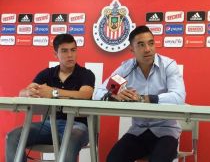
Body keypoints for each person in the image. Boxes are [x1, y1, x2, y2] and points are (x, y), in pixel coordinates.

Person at [94, 25, 186, 162]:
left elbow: (179, 97)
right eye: (141, 45)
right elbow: (98, 93)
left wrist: (145, 99)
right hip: (139, 131)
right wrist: (114, 95)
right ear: (132, 49)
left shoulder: (168, 65)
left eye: (151, 43)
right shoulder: (126, 69)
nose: (148, 49)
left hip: (166, 132)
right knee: (113, 159)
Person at [6, 33, 95, 162]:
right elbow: (23, 92)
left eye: (73, 50)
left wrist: (54, 93)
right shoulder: (46, 74)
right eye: (64, 51)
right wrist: (28, 93)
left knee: (70, 140)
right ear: (55, 54)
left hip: (78, 126)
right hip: (48, 125)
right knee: (13, 136)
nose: (70, 55)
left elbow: (85, 95)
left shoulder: (86, 74)